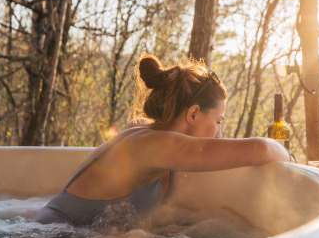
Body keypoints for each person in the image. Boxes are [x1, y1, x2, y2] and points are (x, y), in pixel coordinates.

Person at [30, 54, 291, 226]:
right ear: (193, 113)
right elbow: (259, 148)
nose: (219, 134)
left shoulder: (143, 130)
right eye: (218, 122)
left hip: (51, 234)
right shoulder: (155, 145)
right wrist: (290, 158)